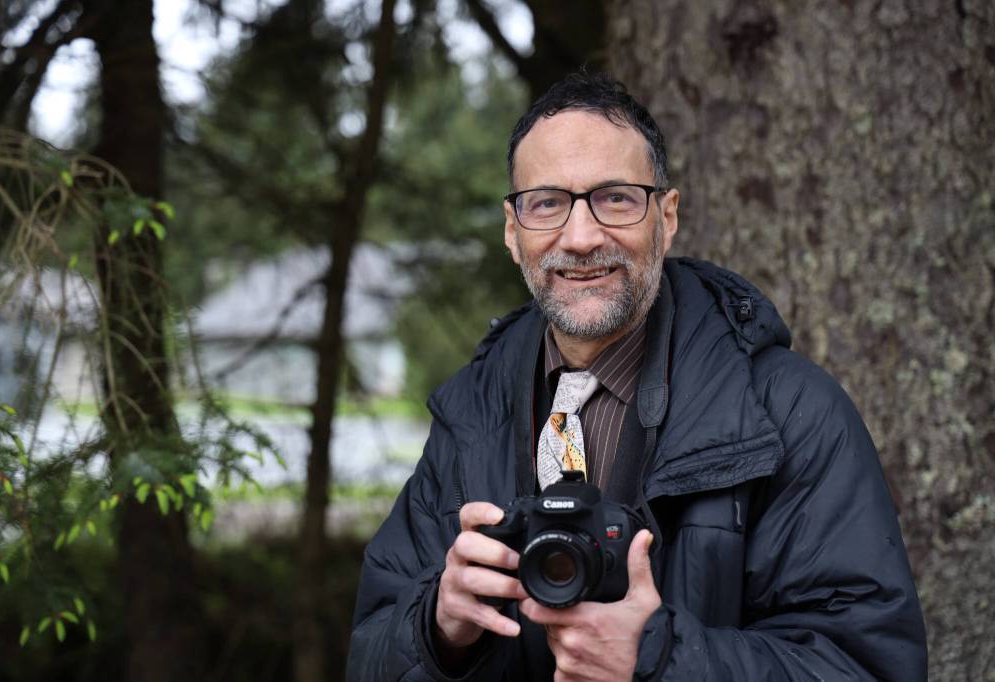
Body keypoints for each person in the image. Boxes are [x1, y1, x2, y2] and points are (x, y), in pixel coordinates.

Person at [347, 72, 927, 681]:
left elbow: (870, 666)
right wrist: (439, 629)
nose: (581, 237)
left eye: (616, 198)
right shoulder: (469, 416)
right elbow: (367, 655)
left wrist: (660, 660)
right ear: (513, 233)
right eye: (547, 203)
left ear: (667, 217)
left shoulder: (789, 413)